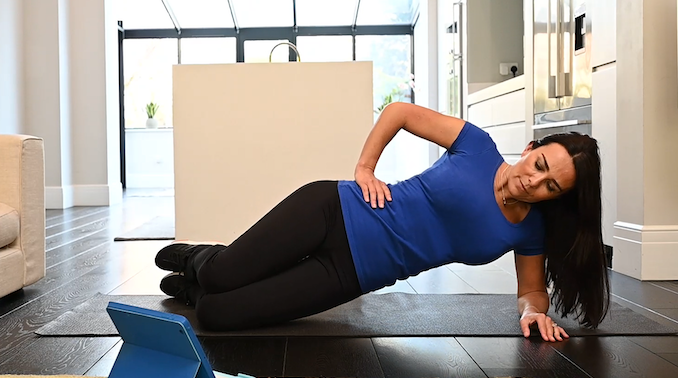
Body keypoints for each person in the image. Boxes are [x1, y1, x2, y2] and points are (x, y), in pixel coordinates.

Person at [155, 101, 609, 342]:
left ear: (558, 198)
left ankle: (197, 289)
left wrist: (533, 313)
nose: (535, 181)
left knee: (215, 314)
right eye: (540, 165)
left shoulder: (529, 230)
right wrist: (365, 168)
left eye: (551, 186)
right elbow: (399, 112)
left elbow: (531, 290)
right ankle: (201, 260)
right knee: (221, 275)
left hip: (350, 274)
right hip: (334, 210)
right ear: (530, 149)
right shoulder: (477, 146)